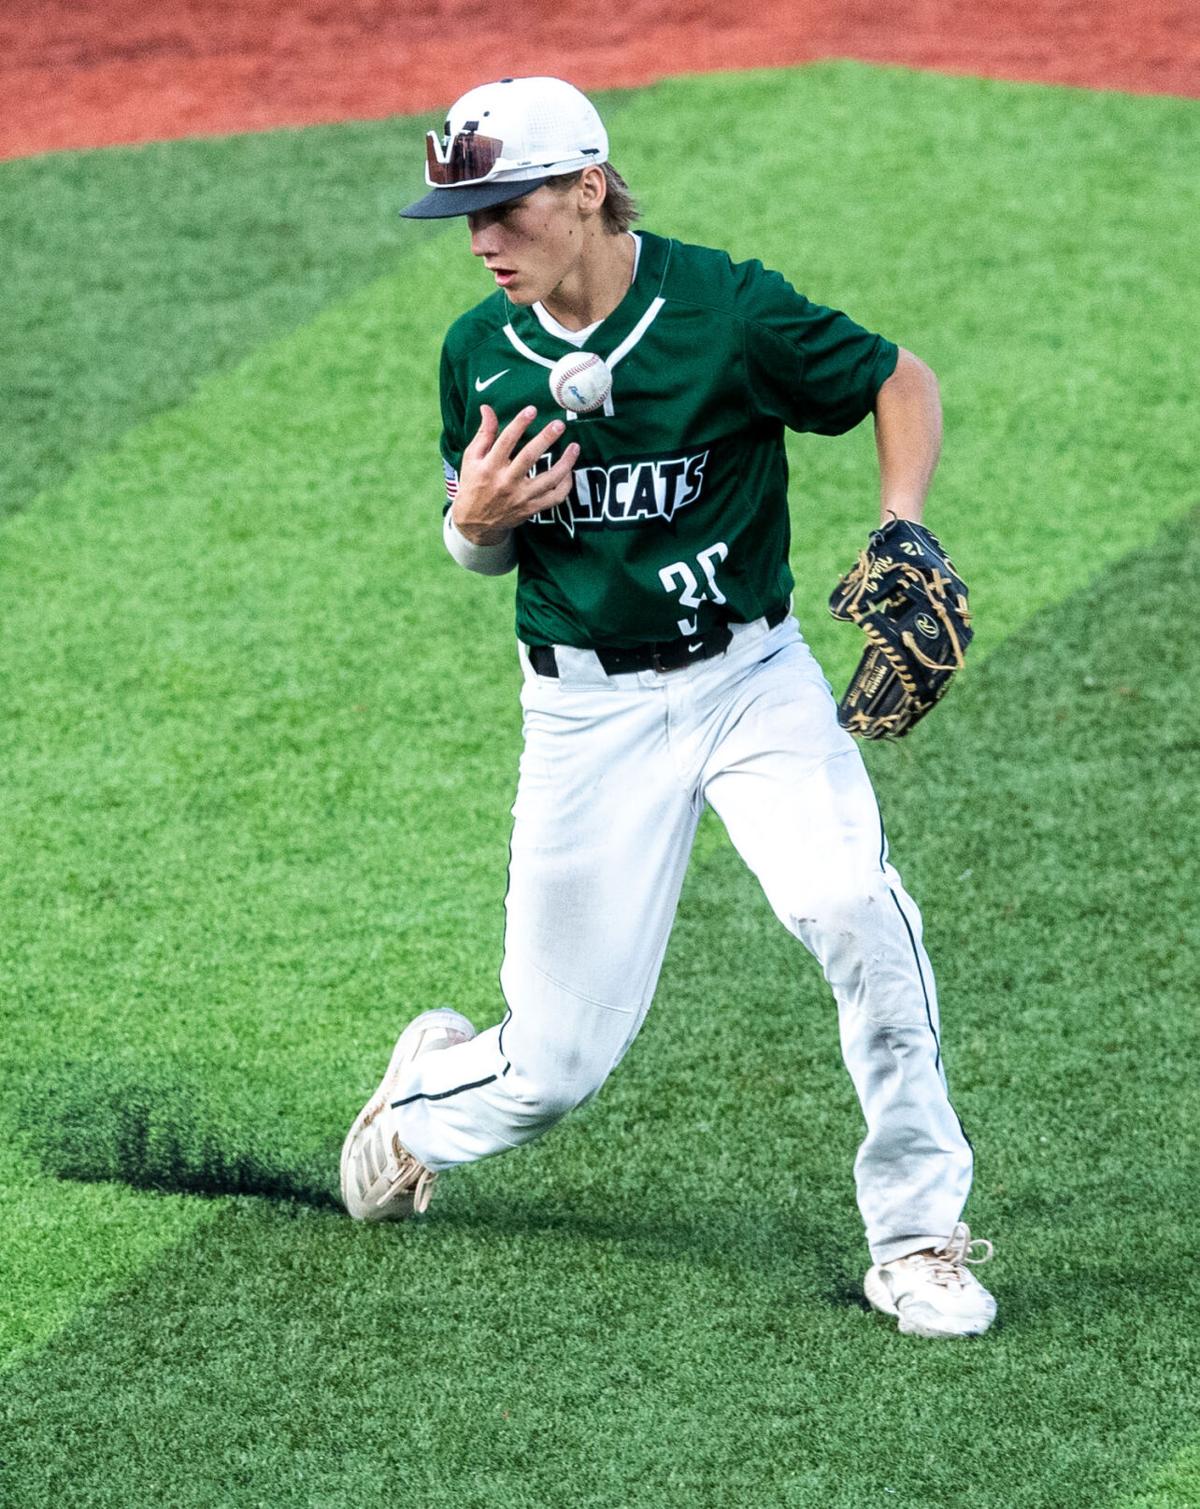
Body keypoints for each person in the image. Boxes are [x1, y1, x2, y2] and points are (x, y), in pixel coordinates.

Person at [340, 76, 996, 1339]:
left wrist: (904, 524)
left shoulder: (722, 309)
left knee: (855, 904)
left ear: (587, 187)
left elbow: (895, 380)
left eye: (505, 207)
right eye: (465, 215)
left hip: (750, 681)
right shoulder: (479, 351)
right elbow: (481, 545)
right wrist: (469, 530)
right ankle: (420, 1100)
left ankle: (918, 1235)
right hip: (585, 715)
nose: (481, 239)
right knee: (554, 1067)